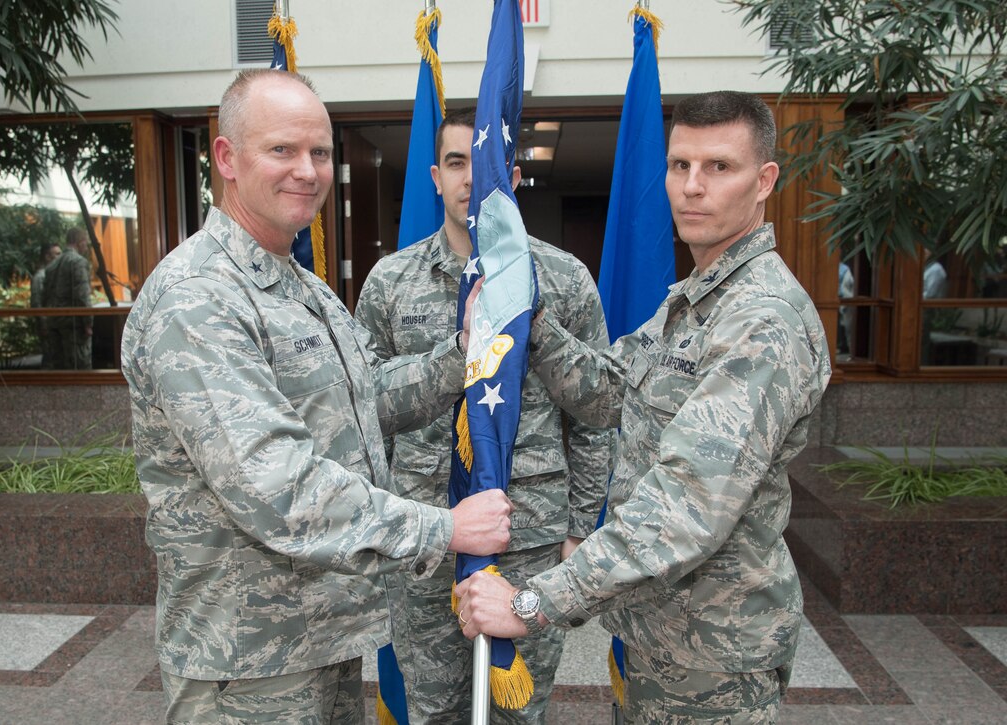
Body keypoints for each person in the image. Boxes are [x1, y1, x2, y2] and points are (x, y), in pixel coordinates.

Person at [120, 69, 513, 725]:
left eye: (321, 153)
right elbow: (277, 486)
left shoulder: (300, 285)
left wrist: (461, 355)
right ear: (227, 159)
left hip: (321, 638)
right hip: (247, 665)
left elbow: (364, 402)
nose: (308, 170)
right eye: (282, 150)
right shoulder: (199, 298)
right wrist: (443, 528)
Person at [457, 91, 832, 724]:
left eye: (719, 167)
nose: (692, 187)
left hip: (714, 653)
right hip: (661, 631)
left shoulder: (760, 319)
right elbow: (609, 391)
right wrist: (528, 324)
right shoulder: (694, 300)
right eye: (679, 165)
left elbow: (687, 503)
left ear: (764, 180)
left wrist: (533, 603)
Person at [355, 108, 615, 723]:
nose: (472, 177)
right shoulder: (391, 282)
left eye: (488, 164)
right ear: (435, 177)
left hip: (530, 534)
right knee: (436, 709)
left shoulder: (563, 278)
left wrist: (579, 527)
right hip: (428, 534)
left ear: (515, 177)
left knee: (520, 713)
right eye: (456, 162)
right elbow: (366, 408)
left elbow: (595, 416)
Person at [41, 227, 94, 369]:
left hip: (55, 323)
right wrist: (88, 322)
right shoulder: (78, 262)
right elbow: (82, 295)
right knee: (80, 367)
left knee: (60, 369)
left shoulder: (52, 265)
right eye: (85, 242)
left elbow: (45, 297)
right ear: (80, 242)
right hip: (73, 325)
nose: (86, 246)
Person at [30, 242, 62, 368]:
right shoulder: (40, 277)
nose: (61, 257)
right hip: (47, 326)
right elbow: (36, 303)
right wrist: (43, 325)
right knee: (49, 358)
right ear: (48, 256)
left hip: (54, 324)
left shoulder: (52, 274)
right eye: (57, 254)